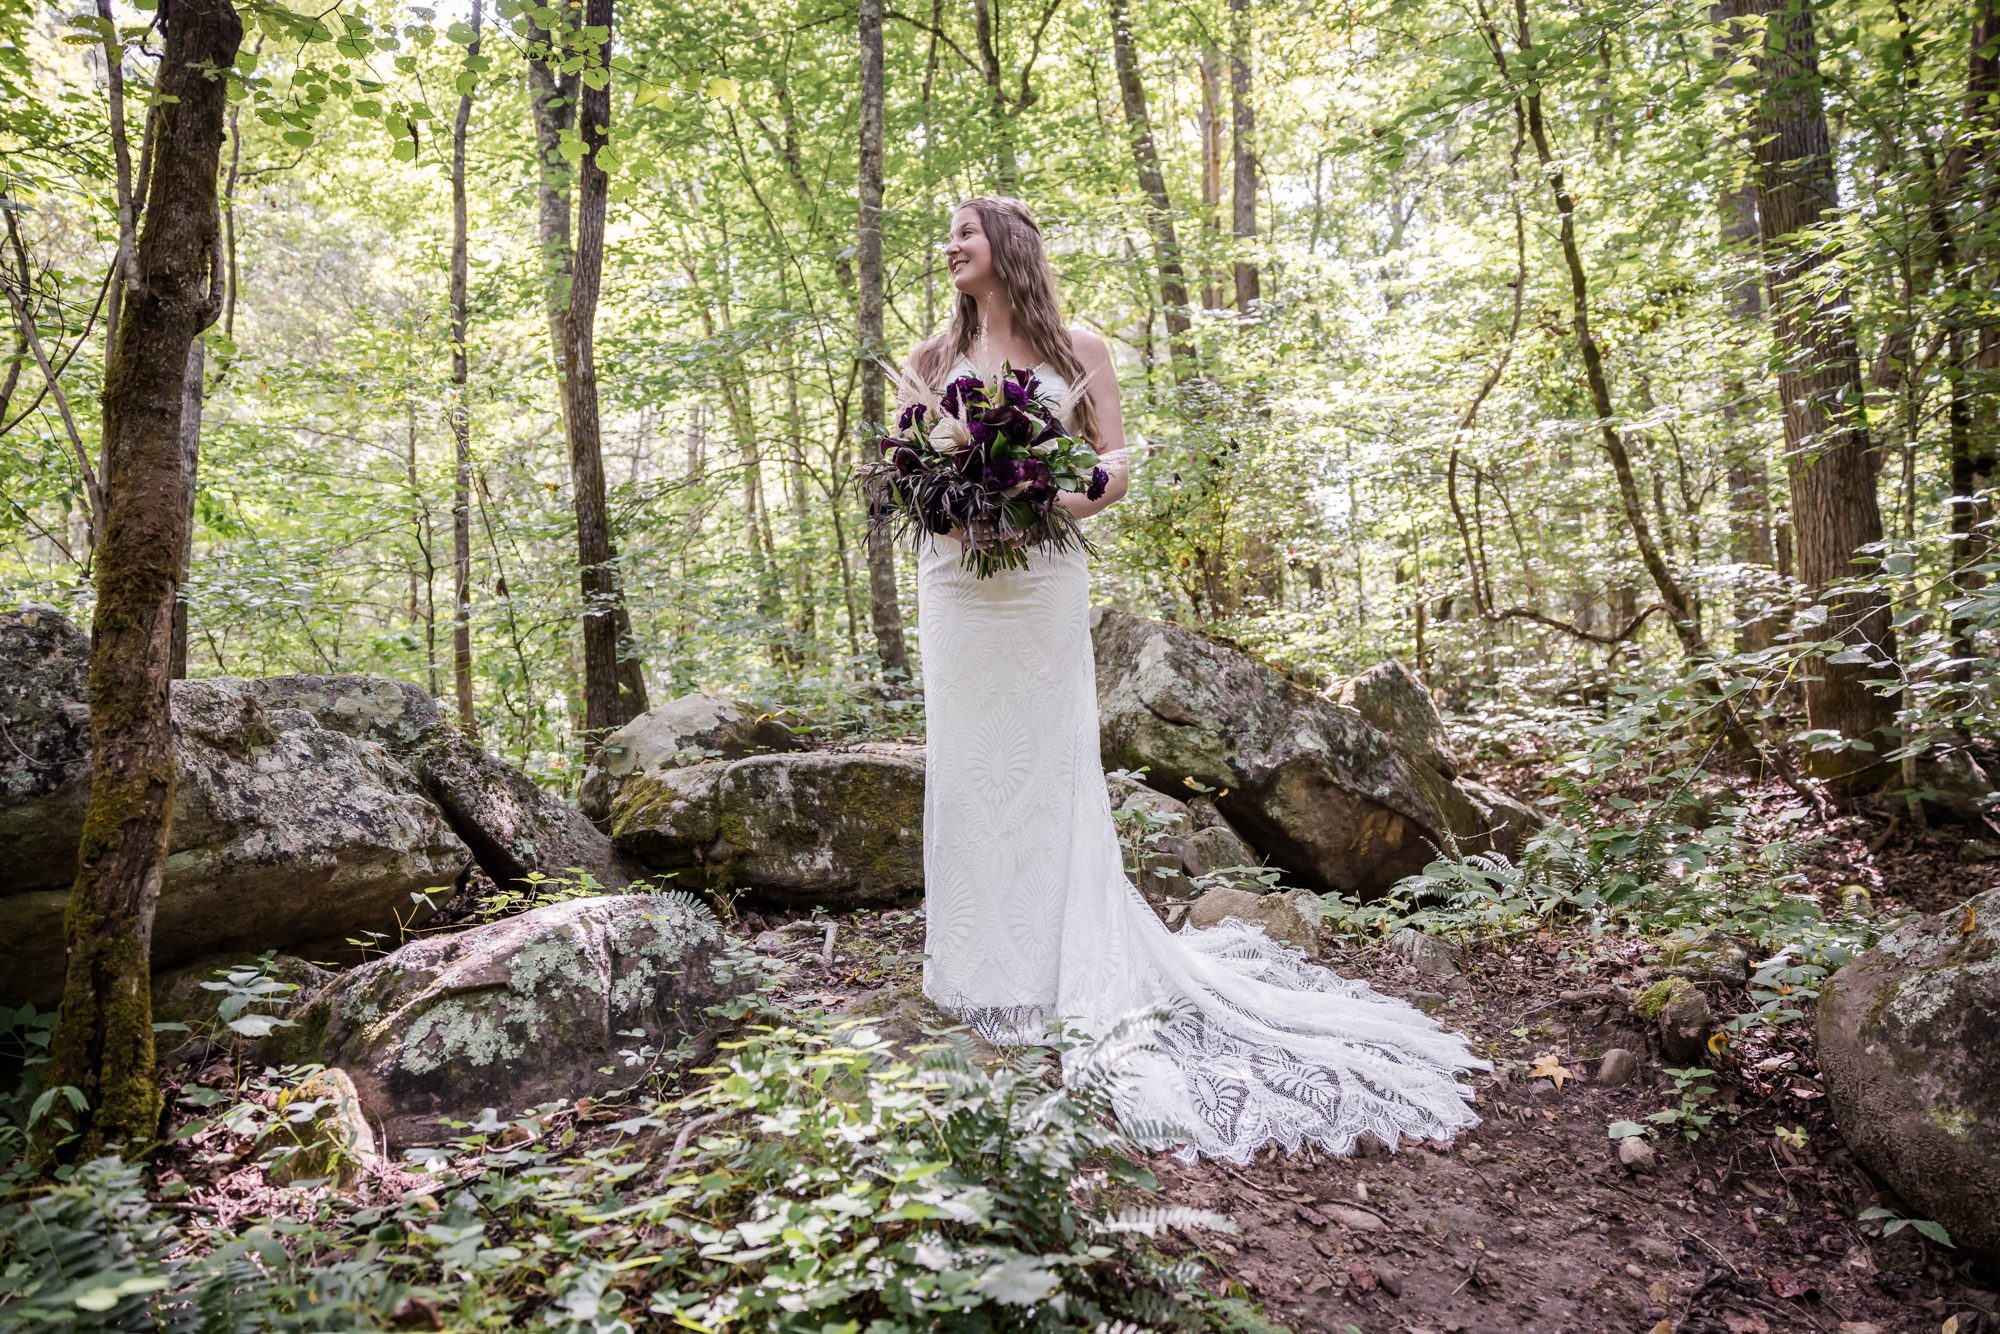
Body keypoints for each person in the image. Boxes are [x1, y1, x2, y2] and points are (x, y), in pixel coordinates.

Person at [904, 195, 1488, 1164]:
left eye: (965, 232)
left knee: (1046, 766)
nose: (951, 246)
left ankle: (1059, 959)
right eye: (949, 236)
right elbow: (908, 472)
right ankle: (977, 959)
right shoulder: (931, 360)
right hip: (957, 589)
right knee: (969, 766)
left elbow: (1115, 463)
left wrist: (1039, 493)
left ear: (1005, 247)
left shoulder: (1079, 347)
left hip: (1041, 577)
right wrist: (952, 494)